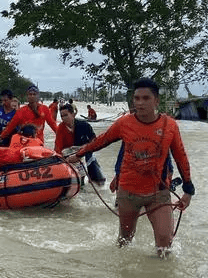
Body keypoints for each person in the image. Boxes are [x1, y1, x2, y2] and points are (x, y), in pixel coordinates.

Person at [67, 78, 195, 255]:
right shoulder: (124, 123)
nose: (140, 103)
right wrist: (78, 155)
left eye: (145, 98)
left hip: (158, 192)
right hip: (128, 193)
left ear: (156, 101)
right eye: (136, 98)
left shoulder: (170, 125)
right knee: (124, 242)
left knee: (165, 246)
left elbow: (181, 156)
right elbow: (101, 141)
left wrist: (188, 189)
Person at [54, 104, 106, 187]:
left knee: (91, 160)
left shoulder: (84, 125)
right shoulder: (60, 128)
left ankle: (95, 180)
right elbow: (58, 146)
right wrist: (60, 159)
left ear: (73, 114)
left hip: (84, 150)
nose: (64, 118)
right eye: (62, 116)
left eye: (66, 115)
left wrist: (84, 149)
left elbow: (94, 140)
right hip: (68, 152)